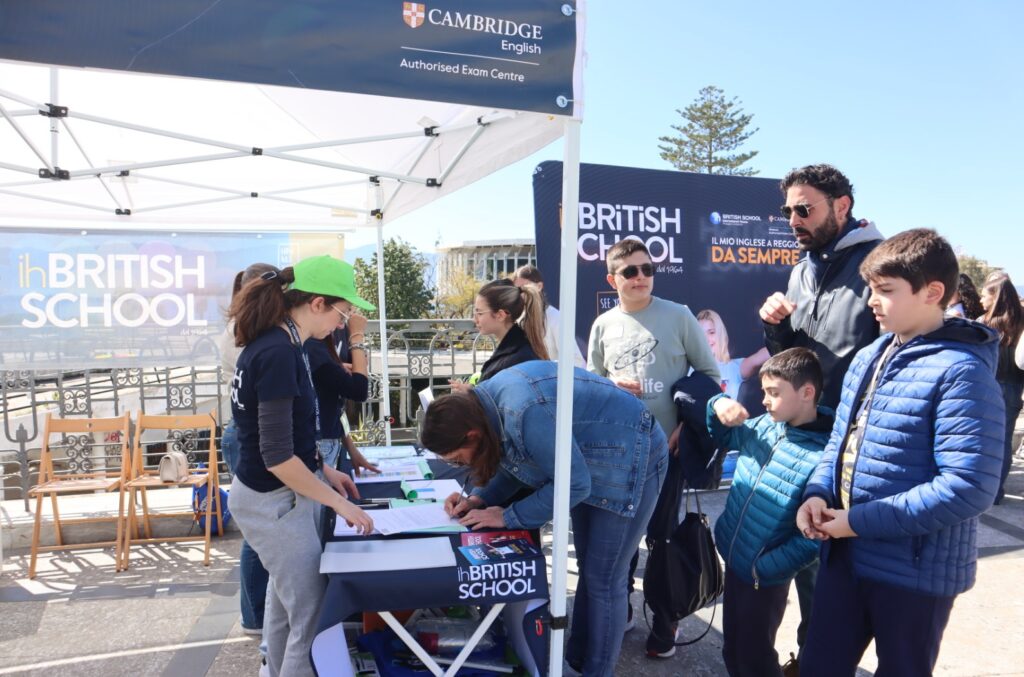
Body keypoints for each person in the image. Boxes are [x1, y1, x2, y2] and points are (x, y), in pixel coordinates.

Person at [796, 229, 1004, 677]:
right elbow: (840, 441)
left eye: (886, 291)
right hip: (845, 558)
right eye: (871, 288)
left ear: (933, 293)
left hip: (913, 573)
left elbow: (968, 487)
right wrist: (816, 492)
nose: (872, 300)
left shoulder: (962, 372)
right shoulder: (871, 353)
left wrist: (855, 521)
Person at [420, 361, 669, 677]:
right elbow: (520, 463)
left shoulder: (523, 411)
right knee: (591, 572)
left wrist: (509, 515)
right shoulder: (488, 406)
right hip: (591, 460)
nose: (461, 465)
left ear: (471, 434)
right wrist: (478, 499)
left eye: (458, 458)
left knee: (605, 579)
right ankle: (577, 661)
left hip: (634, 455)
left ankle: (597, 671)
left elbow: (573, 484)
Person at [757, 164, 883, 664]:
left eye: (804, 208)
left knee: (833, 569)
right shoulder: (802, 268)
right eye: (788, 210)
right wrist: (776, 330)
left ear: (842, 206)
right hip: (800, 435)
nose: (793, 219)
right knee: (794, 553)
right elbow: (798, 356)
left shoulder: (880, 262)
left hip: (850, 445)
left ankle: (823, 660)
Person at [227, 255, 375, 677]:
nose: (343, 324)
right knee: (311, 619)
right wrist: (341, 505)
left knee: (284, 606)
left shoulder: (278, 344)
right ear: (317, 303)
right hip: (274, 501)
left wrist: (322, 469)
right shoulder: (278, 352)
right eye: (342, 313)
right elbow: (276, 455)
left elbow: (283, 433)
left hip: (277, 495)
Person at [587, 238, 719, 657]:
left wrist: (686, 423)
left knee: (662, 540)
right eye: (630, 271)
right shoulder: (603, 325)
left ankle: (666, 622)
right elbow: (592, 384)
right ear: (613, 278)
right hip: (618, 453)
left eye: (647, 269)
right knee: (619, 538)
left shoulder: (678, 315)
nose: (641, 277)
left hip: (668, 451)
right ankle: (621, 609)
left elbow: (709, 373)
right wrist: (610, 384)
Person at [707, 348, 833, 677]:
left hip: (764, 577)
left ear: (807, 393)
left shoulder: (824, 458)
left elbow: (812, 538)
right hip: (737, 563)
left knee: (756, 656)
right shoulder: (765, 425)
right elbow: (721, 434)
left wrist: (766, 568)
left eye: (774, 393)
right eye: (764, 391)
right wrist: (716, 406)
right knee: (733, 645)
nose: (764, 400)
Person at [218, 262, 276, 637]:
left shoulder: (243, 327)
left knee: (260, 533)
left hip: (242, 433)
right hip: (246, 435)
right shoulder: (247, 332)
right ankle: (255, 617)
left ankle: (257, 615)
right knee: (260, 535)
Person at [451, 278, 548, 390]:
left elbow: (498, 404)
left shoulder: (514, 360)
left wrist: (472, 395)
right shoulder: (518, 347)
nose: (475, 320)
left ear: (500, 315)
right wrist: (472, 391)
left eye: (479, 313)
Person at [978, 275, 1024, 503]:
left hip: (987, 386)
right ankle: (995, 493)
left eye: (985, 294)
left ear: (995, 297)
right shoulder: (1021, 322)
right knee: (1003, 441)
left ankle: (982, 491)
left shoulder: (983, 323)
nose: (981, 299)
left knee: (982, 440)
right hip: (1014, 388)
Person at [512, 264, 586, 368]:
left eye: (525, 287)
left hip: (552, 382)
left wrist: (544, 369)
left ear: (539, 286)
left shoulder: (555, 317)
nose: (521, 294)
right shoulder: (516, 319)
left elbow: (576, 360)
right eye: (517, 290)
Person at [696, 308, 770, 399]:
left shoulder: (734, 368)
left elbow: (766, 353)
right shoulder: (685, 369)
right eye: (700, 334)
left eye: (711, 332)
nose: (706, 339)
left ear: (720, 334)